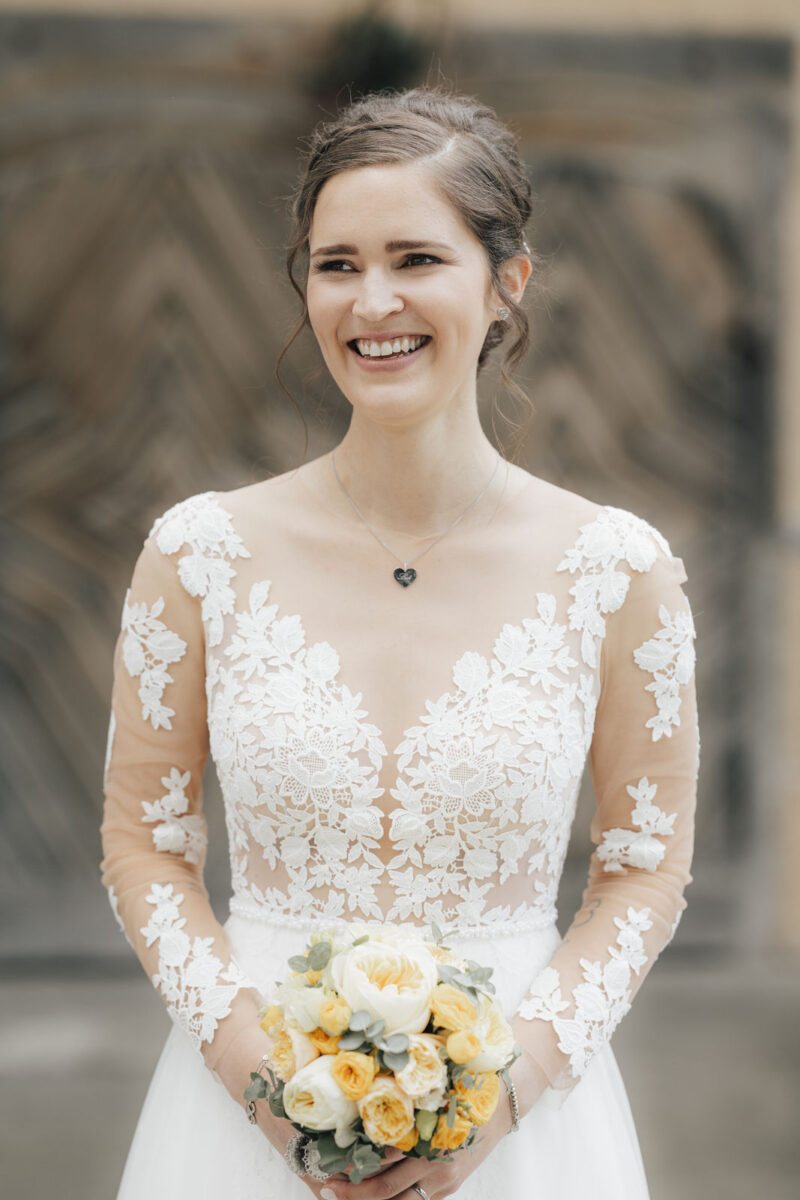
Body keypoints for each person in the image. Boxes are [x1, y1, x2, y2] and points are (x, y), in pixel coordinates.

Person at [99, 84, 699, 1200]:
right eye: (336, 264)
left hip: (521, 1127)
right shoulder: (197, 555)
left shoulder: (615, 573)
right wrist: (276, 1097)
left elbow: (641, 867)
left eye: (416, 258)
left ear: (505, 282)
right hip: (245, 1114)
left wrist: (499, 1101)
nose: (371, 303)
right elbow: (145, 846)